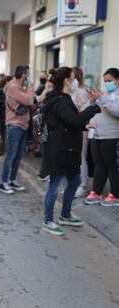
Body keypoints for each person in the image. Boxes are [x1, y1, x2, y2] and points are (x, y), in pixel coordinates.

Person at [40, 67, 100, 236]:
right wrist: (93, 106)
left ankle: (65, 215)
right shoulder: (60, 100)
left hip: (69, 149)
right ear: (67, 81)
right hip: (60, 150)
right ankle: (48, 220)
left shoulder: (63, 99)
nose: (75, 81)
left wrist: (84, 124)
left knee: (74, 182)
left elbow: (67, 122)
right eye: (73, 78)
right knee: (54, 186)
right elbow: (72, 120)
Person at [83, 68, 119, 207]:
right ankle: (96, 193)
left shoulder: (112, 95)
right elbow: (89, 110)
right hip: (96, 135)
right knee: (99, 165)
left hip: (111, 135)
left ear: (117, 80)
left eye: (110, 81)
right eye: (105, 81)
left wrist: (102, 98)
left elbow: (116, 111)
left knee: (112, 166)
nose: (107, 83)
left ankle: (115, 195)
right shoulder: (104, 94)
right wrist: (92, 101)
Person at [0, 65, 35, 194]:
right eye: (27, 74)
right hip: (15, 125)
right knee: (11, 155)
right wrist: (30, 89)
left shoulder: (19, 88)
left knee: (18, 155)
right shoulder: (13, 87)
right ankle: (3, 182)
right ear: (23, 74)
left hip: (23, 125)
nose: (28, 77)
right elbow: (29, 100)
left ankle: (12, 180)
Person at [72, 67, 91, 198]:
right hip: (73, 127)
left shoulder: (81, 91)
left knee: (81, 157)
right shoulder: (73, 91)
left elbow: (84, 111)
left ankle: (83, 185)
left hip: (81, 128)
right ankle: (74, 184)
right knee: (74, 157)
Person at [0, 76, 12, 163]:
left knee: (4, 138)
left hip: (2, 119)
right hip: (3, 119)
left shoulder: (1, 93)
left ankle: (1, 154)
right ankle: (0, 155)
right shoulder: (3, 95)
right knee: (4, 138)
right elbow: (1, 109)